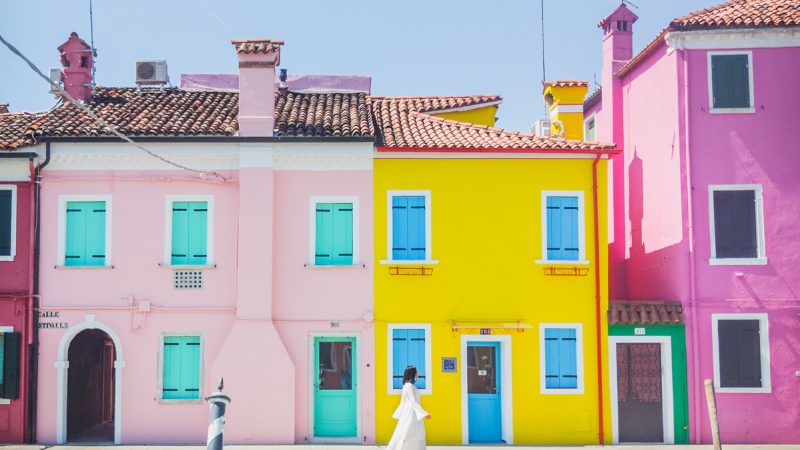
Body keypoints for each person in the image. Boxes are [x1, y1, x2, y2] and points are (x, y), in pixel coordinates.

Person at [386, 366, 431, 450]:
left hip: (412, 413)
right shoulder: (409, 386)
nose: (418, 373)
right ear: (413, 373)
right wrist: (424, 413)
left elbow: (403, 402)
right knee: (408, 433)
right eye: (416, 372)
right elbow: (413, 402)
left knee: (410, 433)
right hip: (412, 414)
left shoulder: (407, 386)